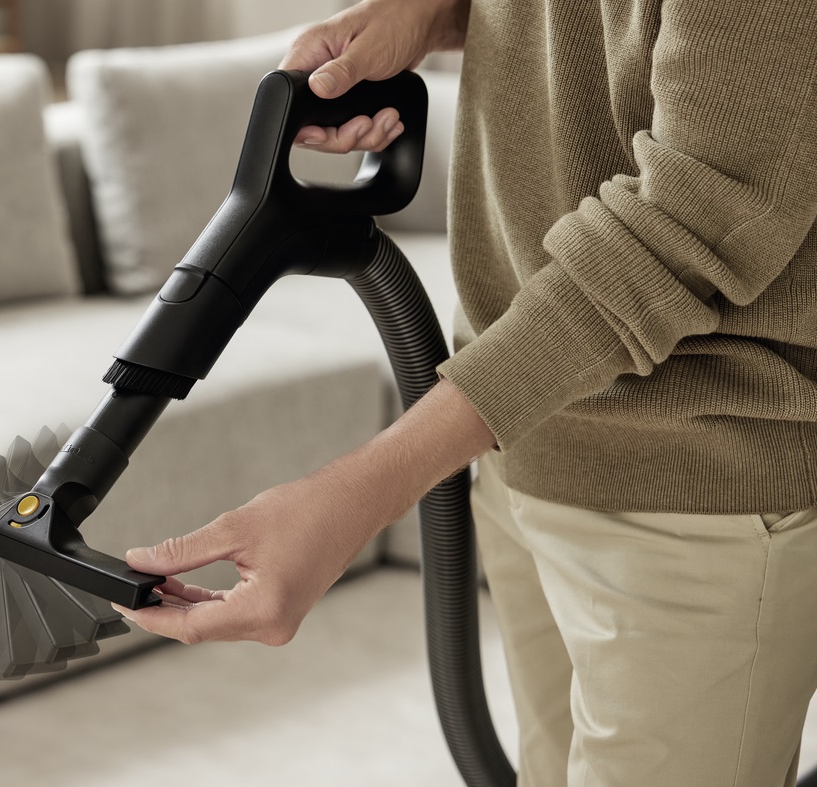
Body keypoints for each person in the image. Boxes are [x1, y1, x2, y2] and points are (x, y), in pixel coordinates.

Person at [110, 0, 817, 784]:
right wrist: (436, 14)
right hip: (522, 441)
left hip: (697, 488)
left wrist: (362, 492)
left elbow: (697, 214)